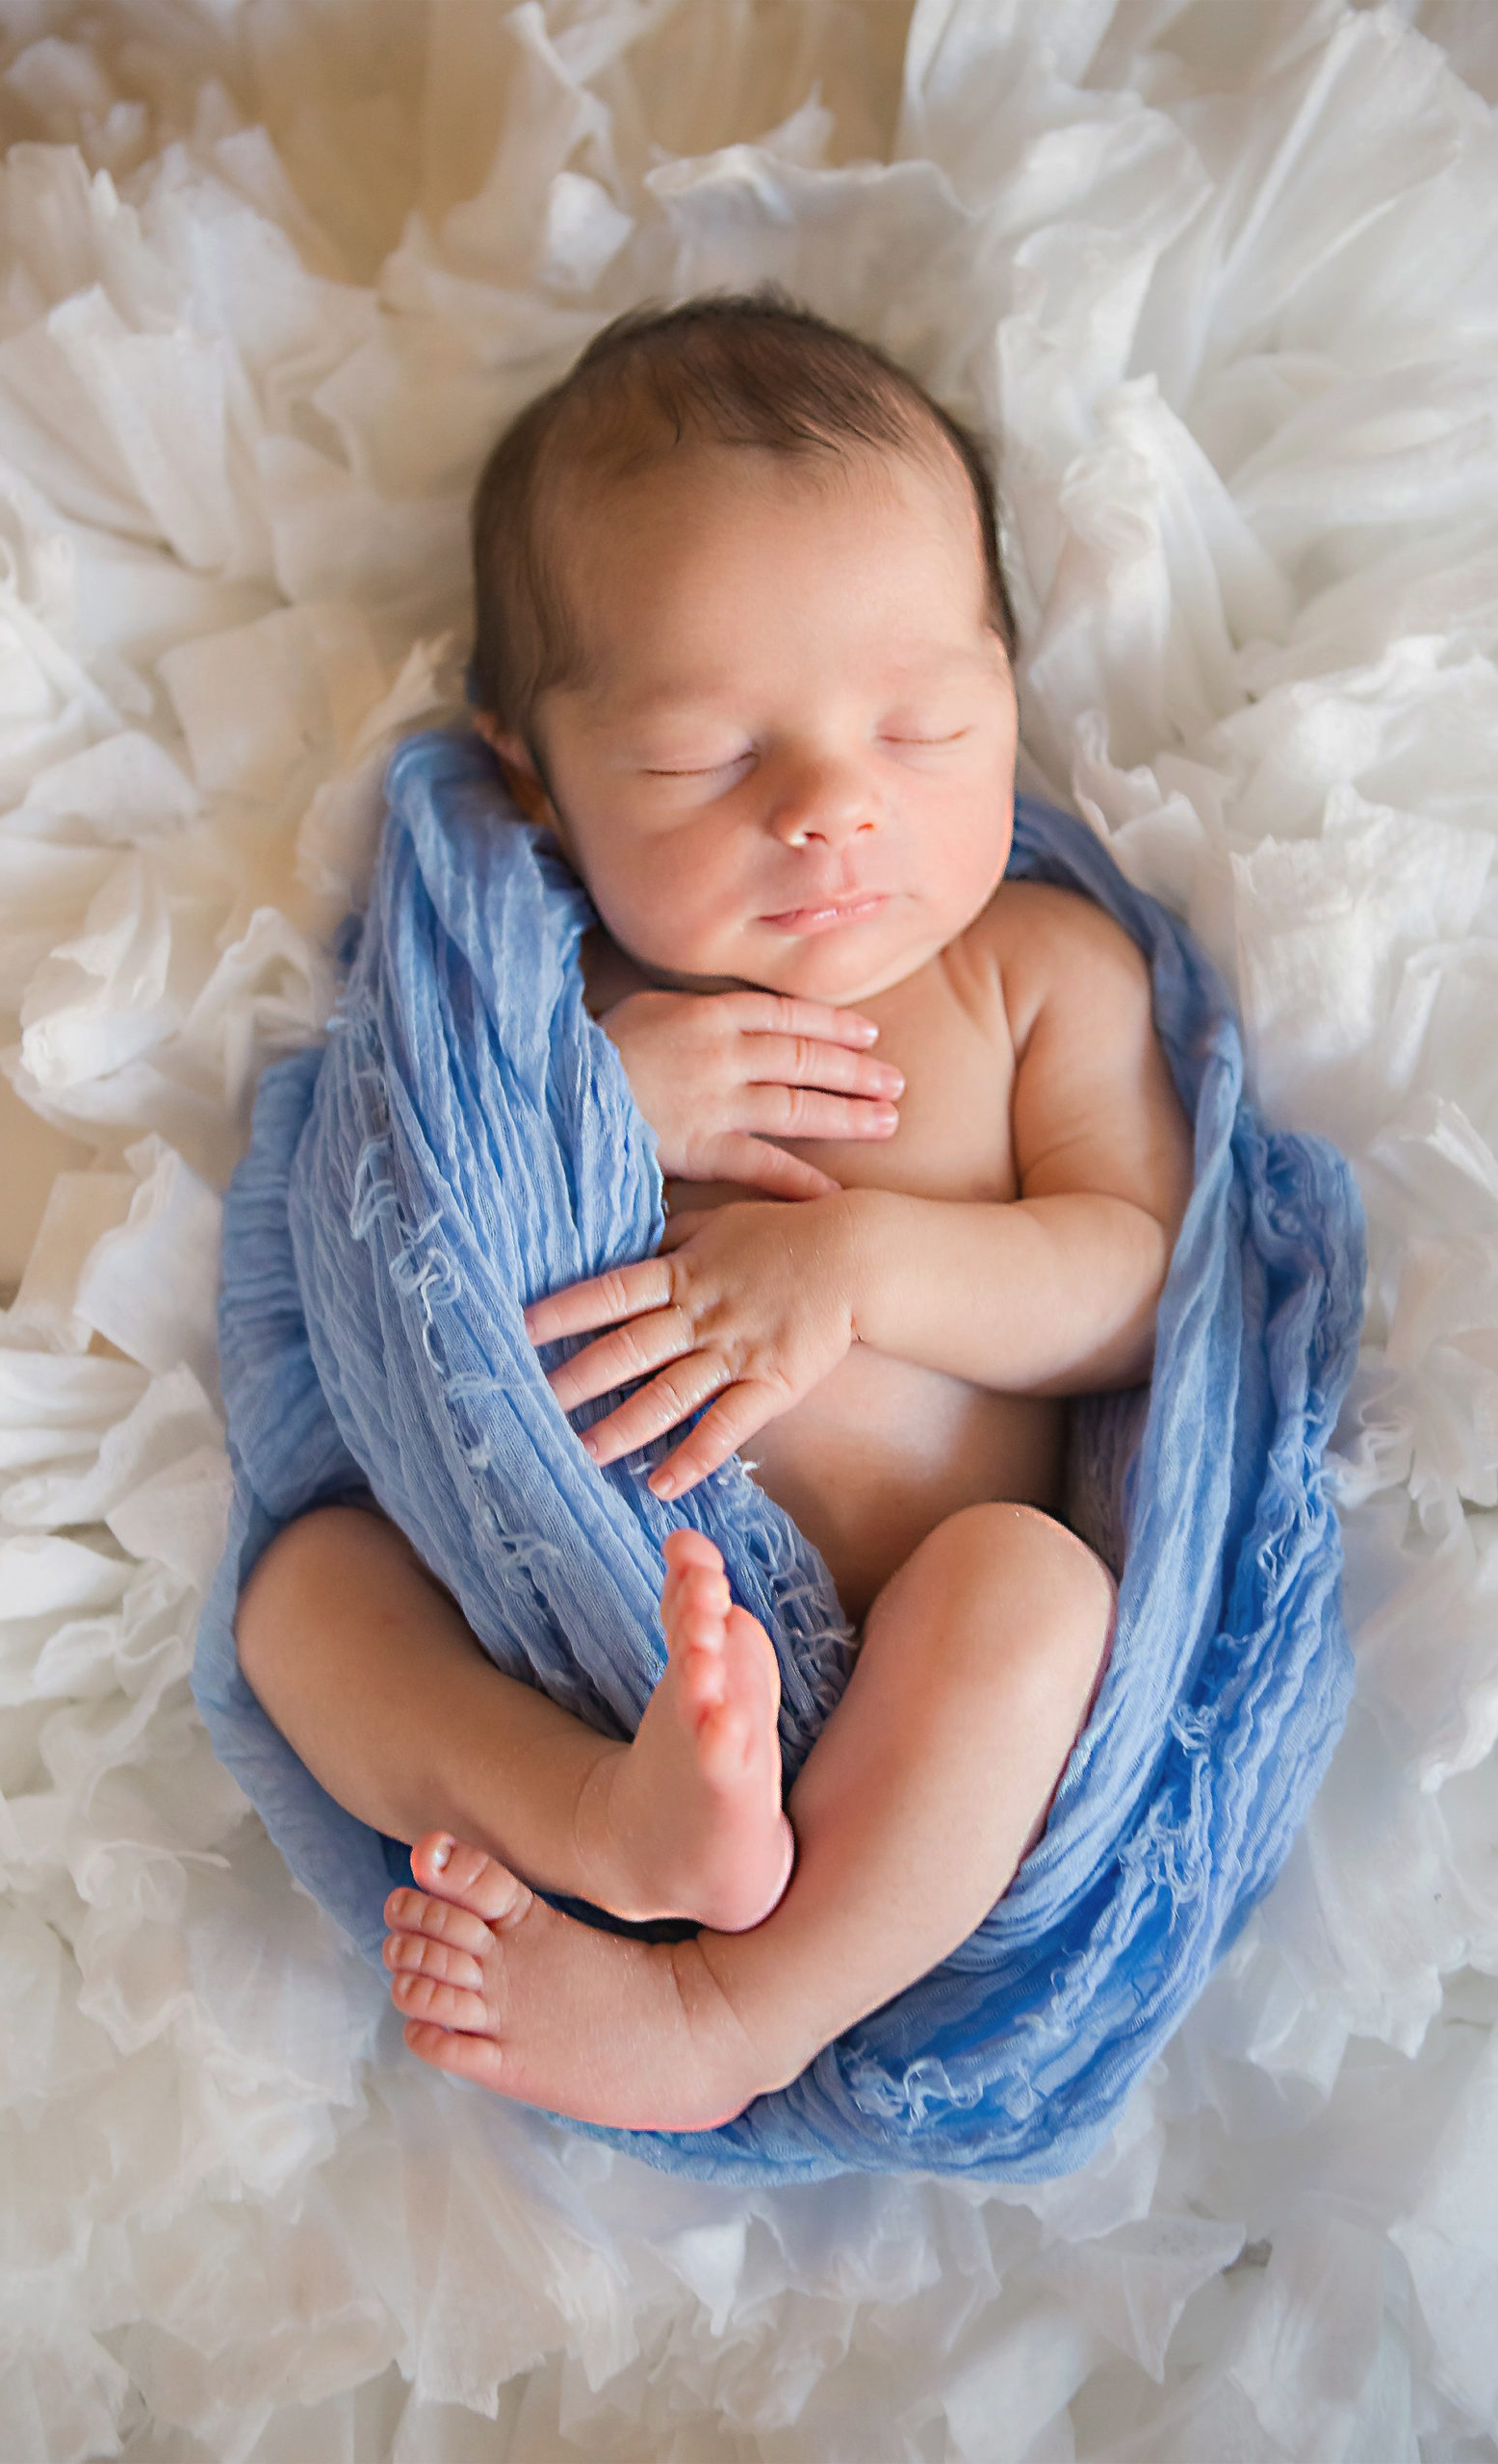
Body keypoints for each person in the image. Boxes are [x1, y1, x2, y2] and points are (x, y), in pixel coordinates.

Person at [234, 293, 1193, 2133]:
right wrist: (589, 1101)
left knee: (1036, 1595)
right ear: (536, 771)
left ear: (1007, 679)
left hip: (901, 1690)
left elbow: (1130, 1286)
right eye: (703, 760)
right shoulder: (547, 986)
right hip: (563, 1622)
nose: (833, 805)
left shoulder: (1037, 978)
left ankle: (735, 2009)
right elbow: (398, 1200)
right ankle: (613, 1823)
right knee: (301, 1600)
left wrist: (861, 1263)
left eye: (921, 726)